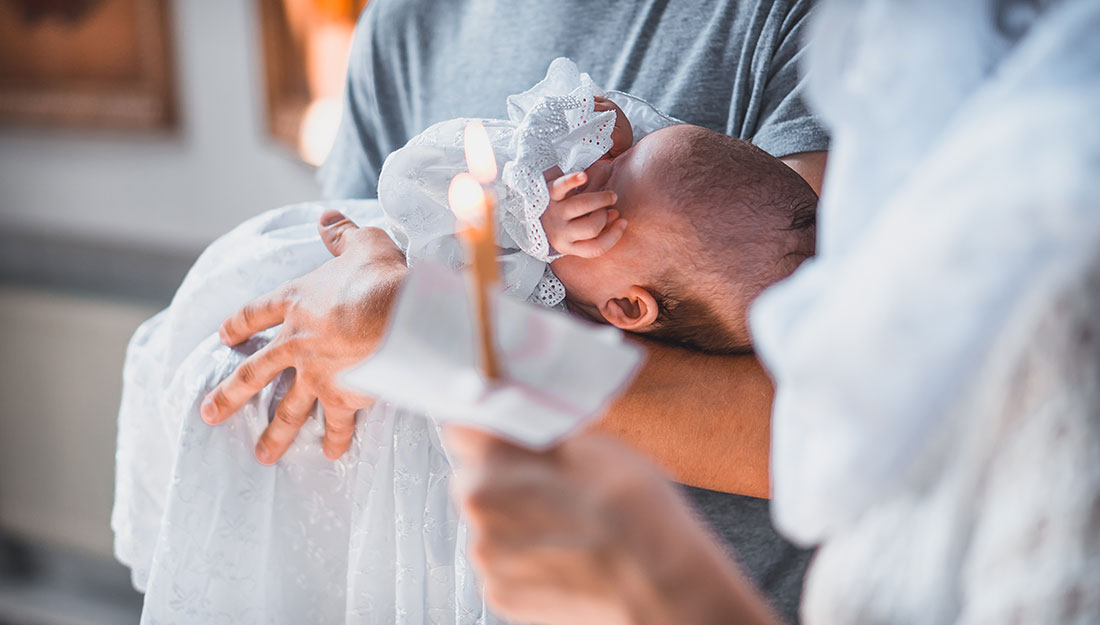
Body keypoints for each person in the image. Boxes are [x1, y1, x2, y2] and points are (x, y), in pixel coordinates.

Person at [445, 0, 1100, 623]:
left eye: (613, 186)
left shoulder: (1053, 268)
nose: (593, 171)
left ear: (630, 307)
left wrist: (661, 584)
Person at [113, 59, 817, 623]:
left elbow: (808, 416)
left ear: (629, 306)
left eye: (606, 201)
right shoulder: (411, 38)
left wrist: (412, 322)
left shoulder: (556, 316)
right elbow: (388, 202)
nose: (583, 178)